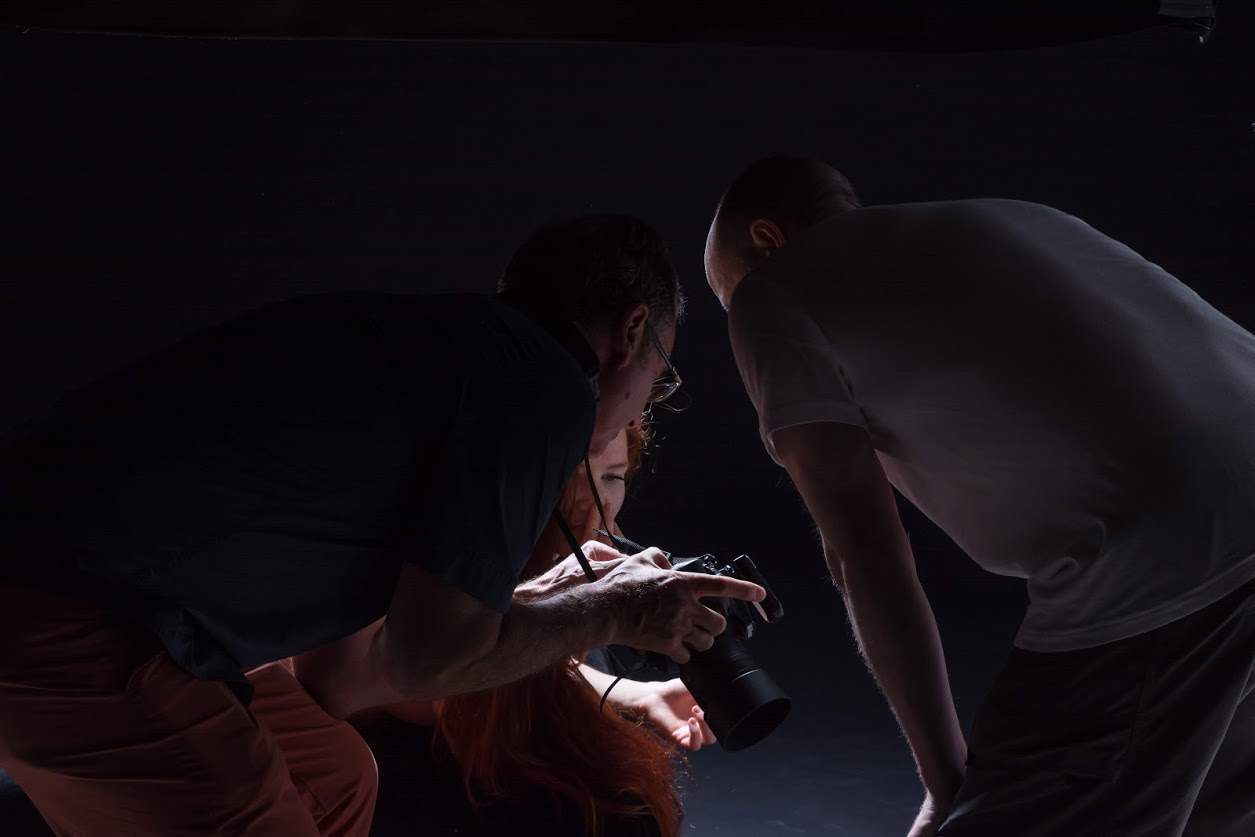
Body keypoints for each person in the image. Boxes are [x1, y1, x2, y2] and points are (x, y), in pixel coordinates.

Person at [0, 214, 765, 836]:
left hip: (118, 594)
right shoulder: (544, 385)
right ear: (633, 330)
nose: (641, 401)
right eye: (658, 373)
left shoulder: (434, 347)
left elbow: (396, 649)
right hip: (72, 608)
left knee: (331, 775)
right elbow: (425, 658)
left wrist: (572, 610)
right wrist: (614, 608)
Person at [703, 156, 1255, 836]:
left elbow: (865, 553)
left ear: (767, 239)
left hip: (1167, 557)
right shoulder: (1023, 216)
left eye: (726, 295)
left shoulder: (774, 289)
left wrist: (947, 782)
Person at [315, 424, 712, 837]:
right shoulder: (431, 525)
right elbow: (368, 679)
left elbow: (541, 661)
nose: (594, 507)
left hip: (481, 718)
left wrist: (639, 693)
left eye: (612, 477)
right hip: (399, 745)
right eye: (566, 475)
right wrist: (584, 613)